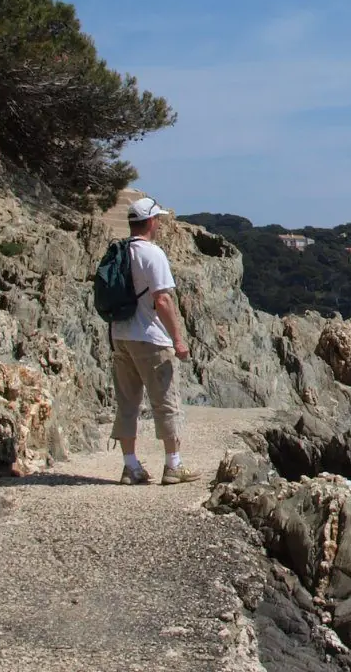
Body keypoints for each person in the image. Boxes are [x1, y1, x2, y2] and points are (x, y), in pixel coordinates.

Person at [110, 196, 197, 486]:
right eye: (157, 219)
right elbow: (162, 299)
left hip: (120, 335)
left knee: (127, 403)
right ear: (150, 222)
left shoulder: (120, 252)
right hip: (149, 338)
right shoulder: (152, 254)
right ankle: (173, 465)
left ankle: (130, 466)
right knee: (165, 401)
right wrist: (178, 339)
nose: (158, 223)